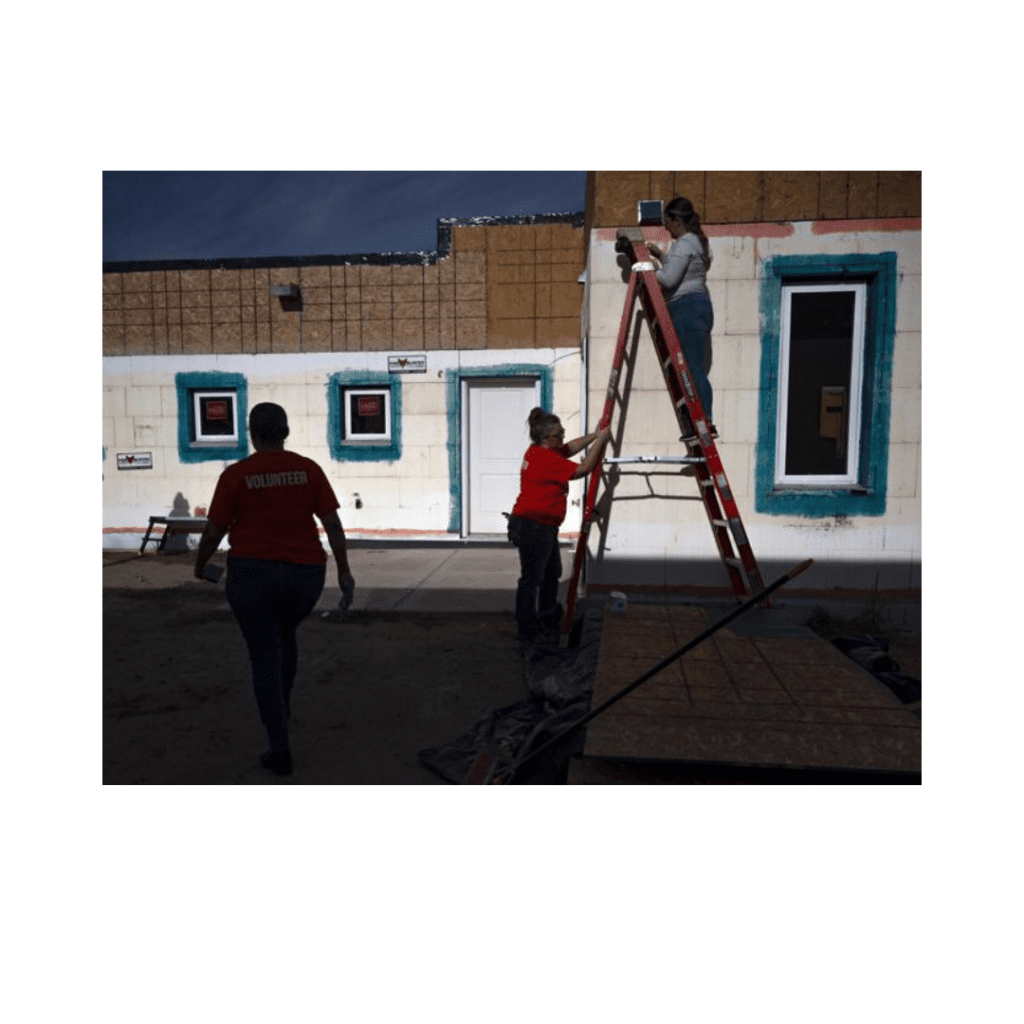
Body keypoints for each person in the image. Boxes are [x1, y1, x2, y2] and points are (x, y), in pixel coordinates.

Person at [193, 402, 355, 777]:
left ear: (251, 433)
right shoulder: (308, 470)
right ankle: (281, 707)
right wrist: (345, 572)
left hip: (253, 578)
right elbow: (332, 523)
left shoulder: (236, 475)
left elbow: (214, 529)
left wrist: (201, 565)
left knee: (264, 655)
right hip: (305, 577)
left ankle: (279, 748)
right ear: (286, 432)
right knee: (285, 635)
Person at [507, 408, 611, 645]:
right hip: (534, 525)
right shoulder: (545, 458)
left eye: (563, 432)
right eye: (559, 434)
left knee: (551, 573)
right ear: (546, 438)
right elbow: (583, 470)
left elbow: (571, 448)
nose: (563, 437)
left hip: (540, 525)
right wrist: (601, 442)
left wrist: (594, 436)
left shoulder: (542, 451)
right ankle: (527, 630)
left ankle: (546, 617)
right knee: (532, 579)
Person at [646, 196, 717, 438]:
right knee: (691, 368)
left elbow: (668, 280)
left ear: (677, 220)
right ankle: (702, 421)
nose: (666, 228)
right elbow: (682, 271)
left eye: (668, 222)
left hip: (687, 308)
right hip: (695, 306)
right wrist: (662, 258)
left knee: (692, 369)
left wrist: (649, 269)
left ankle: (704, 422)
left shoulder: (684, 244)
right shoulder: (695, 243)